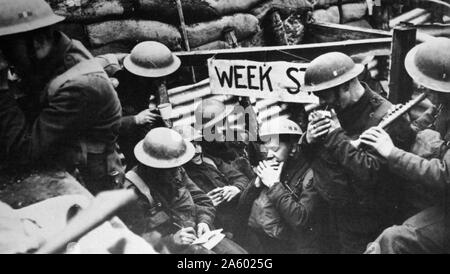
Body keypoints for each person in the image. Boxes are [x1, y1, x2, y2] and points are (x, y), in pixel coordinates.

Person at [0, 0, 124, 195]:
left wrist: (1, 88)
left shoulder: (80, 86)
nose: (6, 58)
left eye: (8, 48)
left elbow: (25, 151)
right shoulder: (56, 53)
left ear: (38, 41)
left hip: (91, 185)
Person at [301, 52, 415, 253]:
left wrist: (335, 135)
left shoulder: (387, 119)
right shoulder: (337, 108)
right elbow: (316, 158)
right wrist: (308, 140)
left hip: (364, 223)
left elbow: (370, 174)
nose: (323, 104)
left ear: (345, 86)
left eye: (326, 96)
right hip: (331, 211)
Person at [359, 38, 450, 254]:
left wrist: (391, 152)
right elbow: (420, 129)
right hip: (441, 199)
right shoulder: (443, 104)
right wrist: (403, 127)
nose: (424, 91)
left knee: (393, 240)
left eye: (430, 87)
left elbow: (445, 175)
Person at [118, 127, 247, 254]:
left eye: (176, 165)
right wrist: (171, 242)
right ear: (151, 165)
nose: (175, 172)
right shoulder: (131, 192)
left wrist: (204, 221)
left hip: (199, 239)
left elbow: (202, 200)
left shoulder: (177, 171)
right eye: (167, 168)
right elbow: (131, 245)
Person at [238, 118, 327, 254]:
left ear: (293, 147)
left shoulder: (311, 173)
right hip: (271, 242)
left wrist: (274, 185)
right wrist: (256, 184)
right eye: (266, 150)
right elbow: (243, 208)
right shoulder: (277, 166)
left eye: (274, 149)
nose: (269, 155)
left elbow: (301, 220)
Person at [96, 41, 180, 169]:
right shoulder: (108, 83)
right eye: (156, 78)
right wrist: (135, 119)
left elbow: (156, 94)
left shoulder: (145, 76)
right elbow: (100, 126)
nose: (159, 81)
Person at [175, 125, 250, 235]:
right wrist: (206, 203)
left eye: (198, 144)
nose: (197, 151)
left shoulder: (210, 161)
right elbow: (183, 210)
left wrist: (236, 188)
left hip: (239, 215)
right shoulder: (181, 177)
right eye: (190, 147)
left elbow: (241, 177)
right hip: (216, 225)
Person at [194, 98, 257, 180]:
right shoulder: (203, 154)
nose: (219, 131)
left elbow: (253, 135)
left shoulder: (235, 136)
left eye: (221, 124)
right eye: (213, 129)